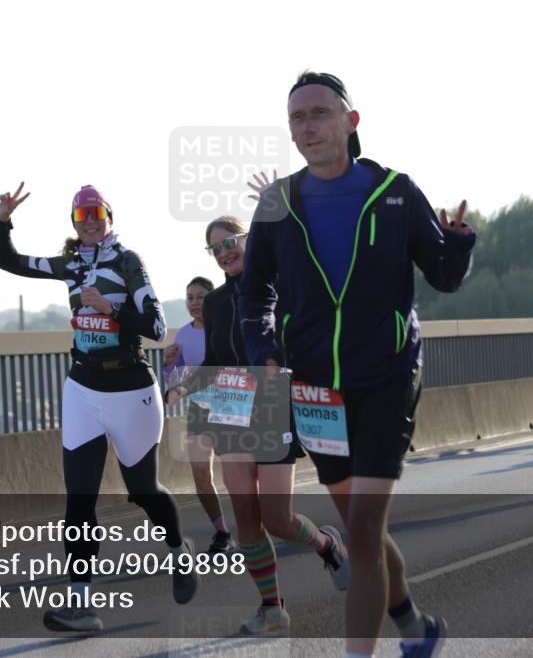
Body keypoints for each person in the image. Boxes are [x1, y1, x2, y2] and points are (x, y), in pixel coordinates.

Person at [240, 71, 469, 657]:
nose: (307, 125)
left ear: (351, 121)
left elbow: (442, 278)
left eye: (319, 113)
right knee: (364, 529)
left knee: (363, 532)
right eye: (297, 117)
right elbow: (255, 291)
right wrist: (264, 351)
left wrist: (458, 242)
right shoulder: (277, 203)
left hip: (387, 378)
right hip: (315, 390)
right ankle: (416, 628)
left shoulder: (394, 191)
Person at [0, 182, 199, 632]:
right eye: (82, 215)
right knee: (79, 499)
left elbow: (158, 328)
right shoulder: (69, 265)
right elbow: (9, 261)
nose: (90, 221)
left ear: (109, 217)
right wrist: (2, 221)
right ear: (74, 222)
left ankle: (180, 554)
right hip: (82, 388)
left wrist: (110, 307)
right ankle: (82, 604)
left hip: (130, 388)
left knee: (143, 490)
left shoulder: (128, 262)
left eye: (97, 213)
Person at [168, 215, 348, 634]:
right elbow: (214, 361)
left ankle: (326, 544)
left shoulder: (278, 283)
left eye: (231, 240)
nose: (225, 250)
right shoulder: (213, 304)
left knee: (277, 518)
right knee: (246, 516)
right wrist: (183, 386)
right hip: (229, 406)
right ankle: (272, 608)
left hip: (272, 404)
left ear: (248, 239)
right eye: (216, 247)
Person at [162, 276, 235, 554]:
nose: (195, 302)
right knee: (200, 472)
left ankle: (256, 524)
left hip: (230, 408)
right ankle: (222, 532)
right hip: (199, 409)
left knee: (234, 477)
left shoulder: (225, 329)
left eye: (201, 297)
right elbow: (175, 379)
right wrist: (169, 363)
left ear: (213, 300)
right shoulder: (182, 334)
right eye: (190, 297)